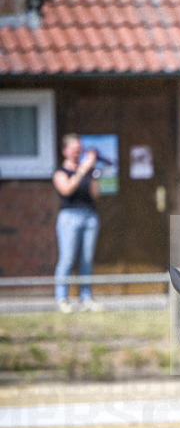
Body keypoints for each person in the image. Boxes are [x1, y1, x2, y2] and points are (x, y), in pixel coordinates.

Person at [52, 134, 101, 313]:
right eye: (74, 149)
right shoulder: (60, 172)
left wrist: (92, 172)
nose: (77, 153)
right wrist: (82, 170)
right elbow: (66, 189)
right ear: (65, 151)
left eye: (79, 150)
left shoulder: (87, 170)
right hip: (69, 218)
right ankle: (62, 298)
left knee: (86, 259)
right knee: (67, 258)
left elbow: (95, 195)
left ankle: (85, 297)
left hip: (89, 217)